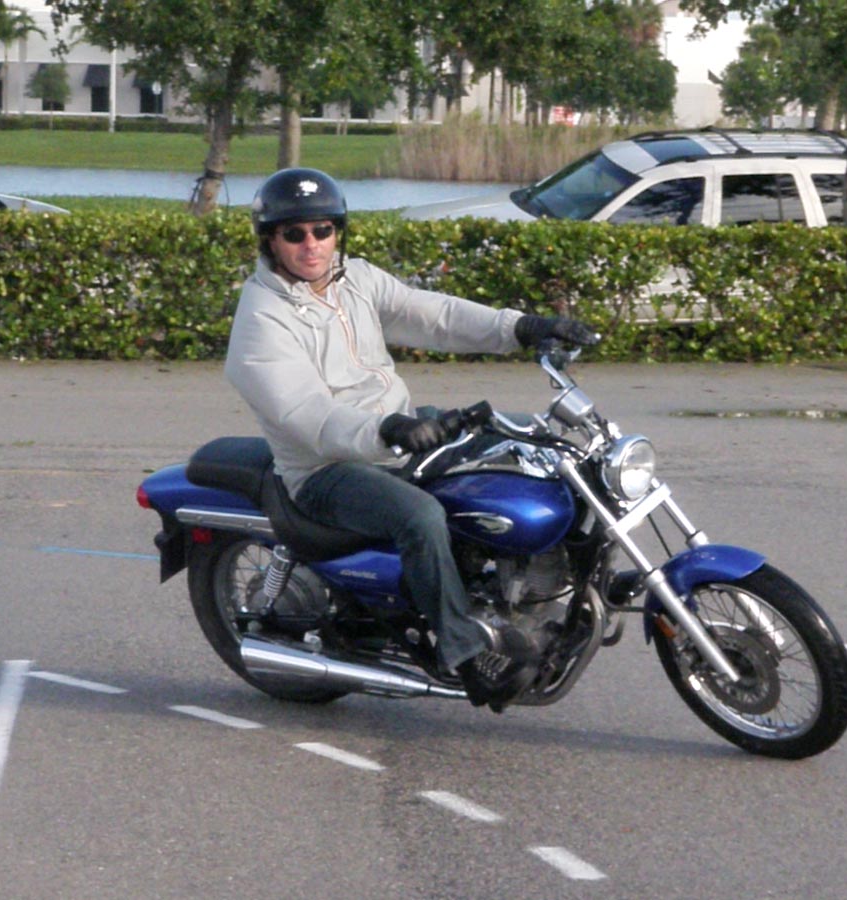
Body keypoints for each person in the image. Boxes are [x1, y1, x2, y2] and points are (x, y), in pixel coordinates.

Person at [224, 167, 597, 712]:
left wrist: (522, 327)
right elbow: (307, 416)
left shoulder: (355, 280)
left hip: (391, 432)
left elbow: (434, 315)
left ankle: (544, 587)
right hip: (326, 467)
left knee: (527, 444)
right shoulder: (262, 318)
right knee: (420, 517)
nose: (311, 244)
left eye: (323, 230)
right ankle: (465, 652)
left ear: (337, 232)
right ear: (270, 241)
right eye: (294, 233)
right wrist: (389, 431)